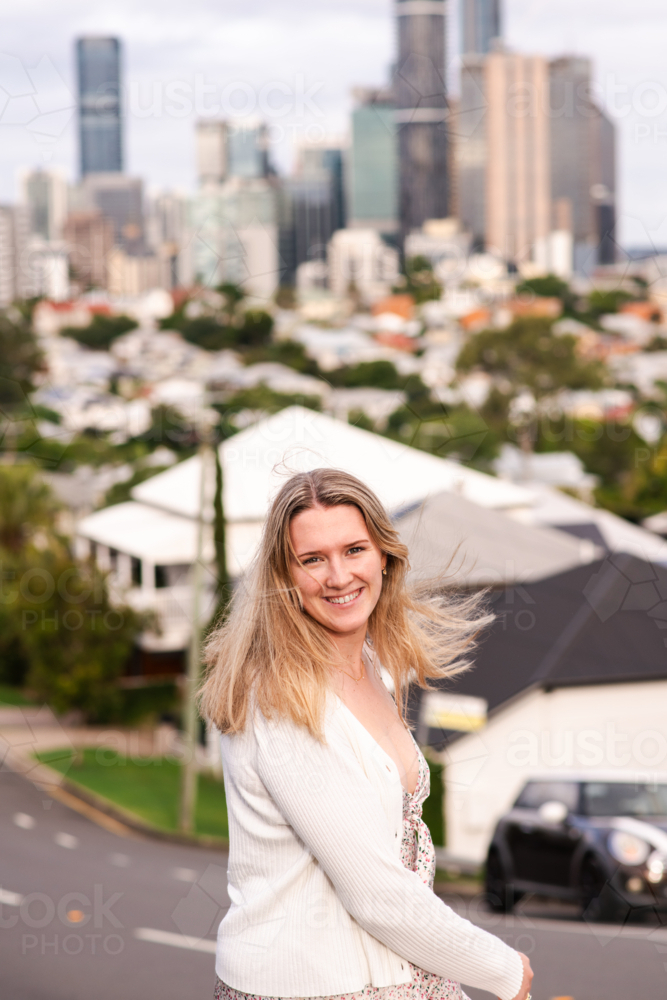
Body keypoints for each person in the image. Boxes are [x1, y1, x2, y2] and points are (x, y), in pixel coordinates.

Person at [201, 468, 534, 1000]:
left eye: (354, 549)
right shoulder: (282, 699)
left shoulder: (372, 668)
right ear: (283, 576)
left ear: (384, 555)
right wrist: (503, 970)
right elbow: (375, 894)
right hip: (310, 988)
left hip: (383, 974)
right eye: (312, 559)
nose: (338, 576)